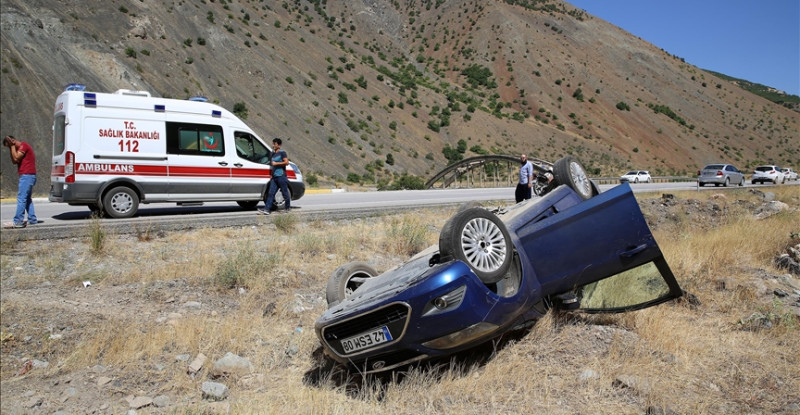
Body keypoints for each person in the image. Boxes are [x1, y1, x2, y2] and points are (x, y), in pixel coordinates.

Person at [3, 135, 38, 228]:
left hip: (27, 176)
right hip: (28, 176)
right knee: (27, 199)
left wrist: (12, 146)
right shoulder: (17, 148)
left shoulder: (24, 146)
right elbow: (14, 161)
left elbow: (16, 158)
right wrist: (12, 147)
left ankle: (18, 221)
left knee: (21, 198)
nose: (10, 148)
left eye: (9, 146)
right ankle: (32, 219)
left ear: (13, 141)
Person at [258, 138, 291, 215]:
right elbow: (272, 165)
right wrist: (271, 175)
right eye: (273, 143)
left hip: (281, 176)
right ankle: (267, 209)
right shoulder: (273, 154)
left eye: (275, 144)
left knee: (285, 193)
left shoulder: (282, 153)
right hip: (274, 177)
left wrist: (277, 163)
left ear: (279, 145)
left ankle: (287, 208)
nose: (273, 145)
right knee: (271, 193)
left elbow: (286, 162)